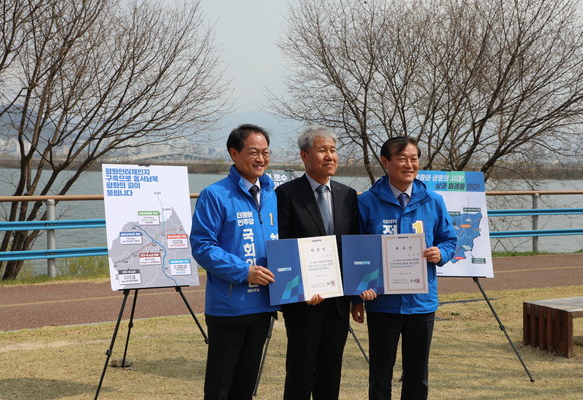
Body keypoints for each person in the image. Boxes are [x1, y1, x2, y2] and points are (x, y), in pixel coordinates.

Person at [352, 136, 457, 400]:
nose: (409, 164)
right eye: (402, 158)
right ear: (385, 162)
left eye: (414, 158)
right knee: (380, 374)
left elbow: (450, 240)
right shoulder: (366, 202)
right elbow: (355, 252)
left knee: (417, 375)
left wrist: (440, 253)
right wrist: (358, 293)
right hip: (383, 303)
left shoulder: (433, 200)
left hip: (422, 302)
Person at [276, 125, 376, 400]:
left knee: (331, 373)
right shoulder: (286, 194)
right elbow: (283, 246)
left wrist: (357, 296)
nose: (330, 156)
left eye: (333, 150)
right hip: (304, 302)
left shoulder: (347, 195)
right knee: (299, 372)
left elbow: (354, 247)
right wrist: (300, 292)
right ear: (305, 155)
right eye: (322, 150)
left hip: (337, 302)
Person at [190, 124, 278, 400]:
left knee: (246, 386)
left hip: (264, 305)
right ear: (234, 153)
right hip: (229, 308)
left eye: (265, 153)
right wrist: (244, 271)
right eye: (254, 152)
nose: (261, 159)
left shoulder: (273, 194)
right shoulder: (215, 195)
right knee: (220, 387)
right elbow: (202, 246)